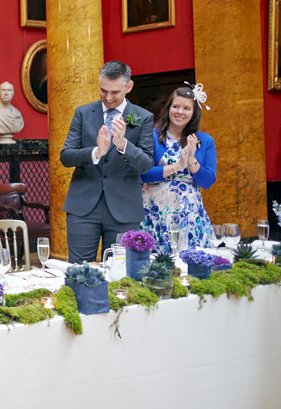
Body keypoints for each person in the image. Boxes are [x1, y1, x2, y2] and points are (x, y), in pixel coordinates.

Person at [60, 60, 154, 263]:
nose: (108, 98)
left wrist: (123, 146)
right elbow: (66, 156)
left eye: (115, 92)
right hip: (83, 208)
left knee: (120, 272)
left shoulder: (143, 117)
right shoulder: (83, 113)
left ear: (128, 87)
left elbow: (146, 163)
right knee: (79, 270)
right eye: (103, 91)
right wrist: (96, 152)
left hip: (124, 208)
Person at [141, 85, 217, 251]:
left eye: (186, 108)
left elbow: (208, 181)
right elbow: (143, 174)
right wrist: (178, 166)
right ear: (169, 108)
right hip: (155, 212)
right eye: (176, 106)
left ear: (194, 112)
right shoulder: (152, 136)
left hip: (189, 214)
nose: (180, 112)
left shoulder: (205, 140)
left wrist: (190, 161)